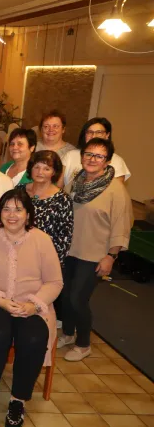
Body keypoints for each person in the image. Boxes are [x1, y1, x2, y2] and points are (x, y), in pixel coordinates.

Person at [0, 189, 63, 427]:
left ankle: (18, 400)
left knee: (33, 338)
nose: (12, 215)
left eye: (18, 209)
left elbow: (55, 282)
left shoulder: (42, 240)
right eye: (6, 209)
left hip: (31, 305)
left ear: (28, 214)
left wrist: (34, 304)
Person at [59, 138, 132, 362]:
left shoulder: (115, 189)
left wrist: (111, 256)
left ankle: (83, 343)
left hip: (94, 254)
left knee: (78, 299)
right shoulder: (76, 181)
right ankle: (68, 333)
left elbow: (122, 224)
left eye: (99, 156)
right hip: (70, 250)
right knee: (64, 296)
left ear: (108, 161)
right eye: (89, 154)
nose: (92, 159)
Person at [19, 151, 74, 267]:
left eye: (46, 169)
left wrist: (53, 264)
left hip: (45, 259)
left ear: (54, 172)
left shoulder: (62, 199)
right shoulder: (18, 191)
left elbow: (64, 237)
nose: (40, 172)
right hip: (15, 253)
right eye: (36, 167)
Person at [60, 117, 131, 189]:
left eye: (99, 132)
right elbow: (58, 187)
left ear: (107, 135)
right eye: (90, 132)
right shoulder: (70, 155)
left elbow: (116, 192)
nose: (93, 136)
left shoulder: (117, 161)